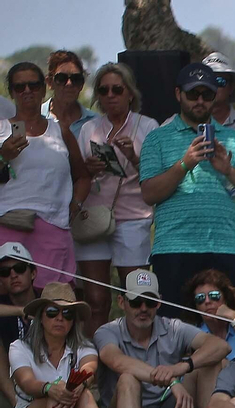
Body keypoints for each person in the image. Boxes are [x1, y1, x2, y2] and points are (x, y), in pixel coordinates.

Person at [138, 62, 235, 312]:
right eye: (192, 94)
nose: (199, 100)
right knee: (175, 332)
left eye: (206, 94)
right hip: (174, 249)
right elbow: (149, 193)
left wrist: (228, 170)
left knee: (229, 330)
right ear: (178, 94)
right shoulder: (157, 138)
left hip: (227, 247)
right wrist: (185, 164)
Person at [93, 269, 230, 408]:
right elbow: (116, 361)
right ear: (122, 301)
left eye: (150, 301)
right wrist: (171, 381)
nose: (143, 309)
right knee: (128, 378)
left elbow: (221, 346)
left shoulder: (172, 327)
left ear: (159, 302)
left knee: (209, 363)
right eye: (136, 301)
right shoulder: (107, 331)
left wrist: (181, 367)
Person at [74, 63, 158, 334]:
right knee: (95, 300)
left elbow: (158, 175)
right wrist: (88, 168)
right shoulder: (89, 128)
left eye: (117, 89)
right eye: (103, 90)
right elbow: (78, 174)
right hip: (95, 217)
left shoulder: (147, 126)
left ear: (129, 93)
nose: (110, 95)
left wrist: (134, 157)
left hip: (134, 218)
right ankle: (92, 366)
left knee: (136, 295)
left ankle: (137, 359)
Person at [5, 281, 113, 408]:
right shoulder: (20, 347)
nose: (60, 319)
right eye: (53, 312)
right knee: (57, 393)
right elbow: (26, 382)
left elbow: (90, 367)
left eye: (68, 314)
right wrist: (49, 388)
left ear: (73, 321)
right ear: (40, 317)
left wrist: (81, 384)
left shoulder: (83, 346)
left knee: (83, 393)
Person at [1, 62, 90, 292]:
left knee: (54, 302)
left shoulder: (59, 130)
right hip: (9, 226)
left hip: (54, 227)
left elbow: (82, 176)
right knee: (9, 304)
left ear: (43, 89)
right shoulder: (1, 130)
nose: (27, 91)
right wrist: (4, 157)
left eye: (33, 85)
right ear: (11, 92)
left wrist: (75, 205)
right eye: (20, 87)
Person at [0, 242, 39, 408]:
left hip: (50, 381)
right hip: (11, 386)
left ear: (33, 273)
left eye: (20, 268)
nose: (13, 275)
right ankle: (17, 406)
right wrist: (19, 311)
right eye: (5, 272)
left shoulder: (49, 298)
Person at [182, 268, 235, 362]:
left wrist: (234, 317)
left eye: (214, 295)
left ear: (226, 299)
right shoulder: (192, 333)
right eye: (200, 298)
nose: (207, 301)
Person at [46, 52, 95, 136]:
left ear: (82, 84)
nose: (69, 84)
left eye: (76, 79)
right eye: (61, 78)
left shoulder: (96, 123)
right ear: (50, 83)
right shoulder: (33, 119)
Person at [199, 53, 235, 132]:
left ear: (231, 88)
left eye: (219, 81)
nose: (213, 86)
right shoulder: (187, 122)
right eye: (207, 81)